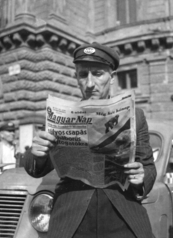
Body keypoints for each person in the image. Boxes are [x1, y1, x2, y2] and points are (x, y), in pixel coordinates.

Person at [24, 42, 157, 238]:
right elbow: (35, 169)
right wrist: (36, 152)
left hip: (122, 213)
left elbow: (148, 167)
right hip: (73, 216)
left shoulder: (135, 116)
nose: (89, 84)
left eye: (97, 74)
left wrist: (140, 177)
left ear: (111, 77)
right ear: (76, 77)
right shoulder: (63, 116)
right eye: (83, 74)